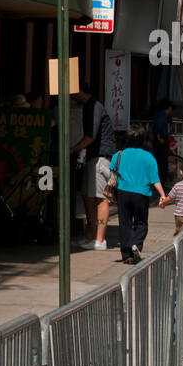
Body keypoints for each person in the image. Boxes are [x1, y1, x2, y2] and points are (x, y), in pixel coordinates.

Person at [110, 124, 167, 265]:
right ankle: (136, 244)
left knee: (124, 222)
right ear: (143, 140)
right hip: (141, 194)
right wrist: (163, 195)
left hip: (122, 192)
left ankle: (126, 254)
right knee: (141, 222)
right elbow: (155, 179)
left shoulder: (119, 154)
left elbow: (112, 173)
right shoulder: (149, 157)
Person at [70, 85, 117, 250]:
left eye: (72, 93)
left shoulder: (95, 106)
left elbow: (90, 136)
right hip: (94, 156)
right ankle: (91, 236)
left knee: (100, 198)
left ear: (80, 90)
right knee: (88, 197)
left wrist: (72, 149)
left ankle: (100, 239)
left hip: (100, 157)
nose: (71, 97)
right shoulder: (90, 106)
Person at [151, 99, 173, 187]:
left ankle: (161, 180)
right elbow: (157, 127)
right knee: (162, 161)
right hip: (161, 139)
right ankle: (161, 180)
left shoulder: (162, 115)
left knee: (161, 160)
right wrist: (159, 138)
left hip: (161, 139)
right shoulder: (162, 116)